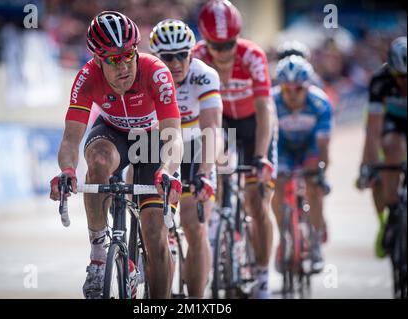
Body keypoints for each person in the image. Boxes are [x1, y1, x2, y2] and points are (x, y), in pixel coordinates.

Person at [49, 11, 184, 299]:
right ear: (98, 59)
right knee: (96, 162)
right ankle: (98, 256)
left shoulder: (156, 71)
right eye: (112, 59)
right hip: (112, 133)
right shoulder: (86, 77)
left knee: (156, 237)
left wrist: (167, 169)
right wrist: (68, 171)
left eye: (127, 55)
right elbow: (71, 140)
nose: (123, 65)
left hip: (151, 140)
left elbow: (173, 133)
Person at [194, 0, 277, 299]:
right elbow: (197, 118)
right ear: (205, 42)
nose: (224, 52)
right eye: (216, 45)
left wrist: (261, 156)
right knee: (211, 163)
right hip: (222, 125)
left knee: (257, 202)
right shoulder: (197, 58)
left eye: (229, 43)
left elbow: (265, 107)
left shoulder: (252, 55)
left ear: (237, 38)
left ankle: (263, 279)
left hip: (255, 126)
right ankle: (217, 217)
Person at [149, 19, 223, 298]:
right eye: (168, 57)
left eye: (183, 54)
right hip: (158, 146)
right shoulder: (148, 74)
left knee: (195, 229)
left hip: (195, 148)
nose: (177, 62)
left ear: (192, 52)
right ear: (157, 57)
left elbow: (212, 130)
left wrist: (204, 174)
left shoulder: (204, 75)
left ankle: (195, 300)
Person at [271, 55, 333, 274]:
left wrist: (321, 171)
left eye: (298, 89)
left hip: (310, 147)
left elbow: (323, 144)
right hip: (284, 148)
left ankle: (315, 241)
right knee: (276, 183)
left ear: (307, 87)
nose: (292, 95)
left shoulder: (320, 103)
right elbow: (267, 140)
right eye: (286, 89)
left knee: (313, 185)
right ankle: (285, 236)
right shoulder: (271, 102)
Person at [357, 36, 406, 258]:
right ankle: (391, 213)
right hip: (391, 123)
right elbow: (373, 129)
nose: (404, 83)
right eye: (400, 77)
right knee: (390, 146)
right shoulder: (380, 80)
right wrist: (370, 163)